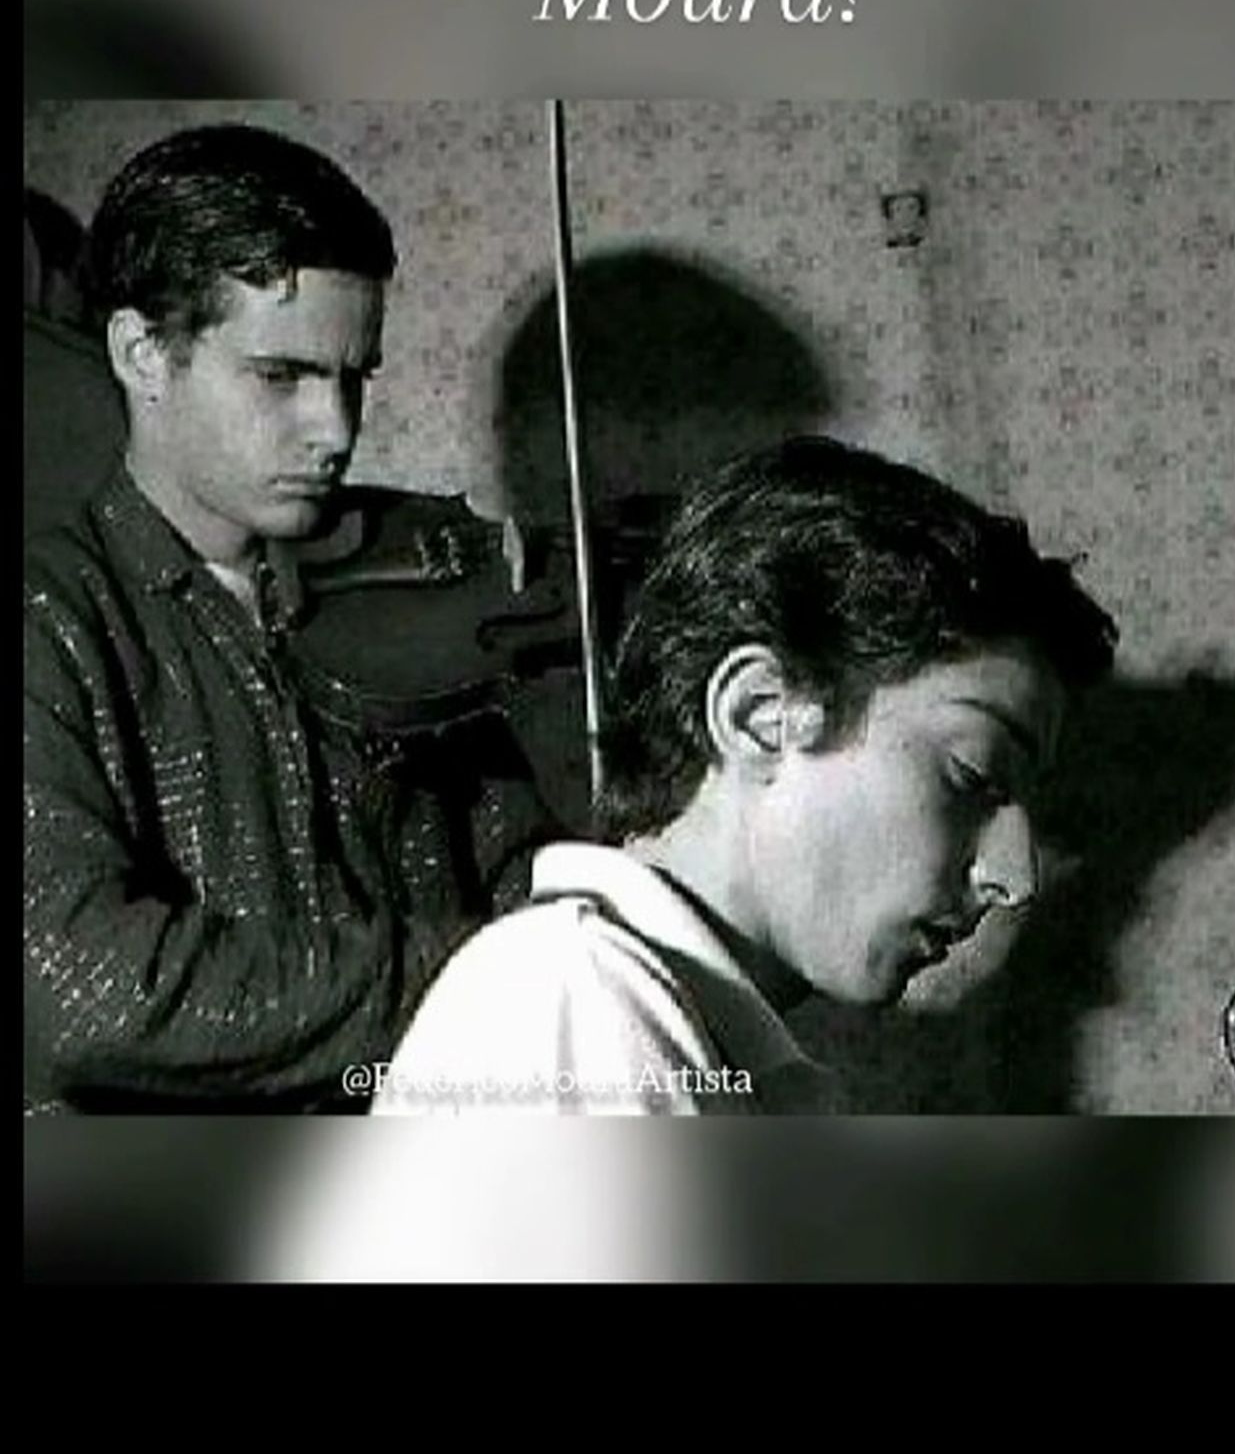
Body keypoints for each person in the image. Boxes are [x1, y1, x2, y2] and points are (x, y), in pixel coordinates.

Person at [372, 436, 1118, 1117]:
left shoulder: (697, 1041)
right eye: (975, 774)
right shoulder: (569, 997)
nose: (1016, 877)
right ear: (759, 714)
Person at [24, 123, 508, 1111]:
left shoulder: (421, 595)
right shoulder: (50, 620)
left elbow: (509, 856)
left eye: (354, 376)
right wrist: (486, 971)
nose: (336, 430)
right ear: (143, 353)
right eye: (281, 376)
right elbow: (92, 992)